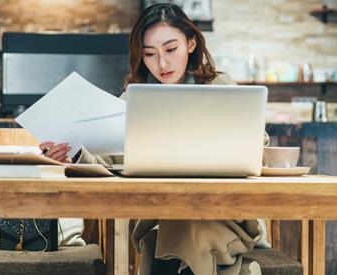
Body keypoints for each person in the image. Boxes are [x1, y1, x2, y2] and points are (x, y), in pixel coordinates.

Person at [40, 3, 269, 275]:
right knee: (172, 228)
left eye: (171, 49)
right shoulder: (132, 101)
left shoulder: (220, 87)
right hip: (160, 214)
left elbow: (257, 145)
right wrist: (74, 154)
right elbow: (106, 161)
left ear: (191, 43)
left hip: (222, 213)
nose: (162, 63)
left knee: (179, 231)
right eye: (150, 54)